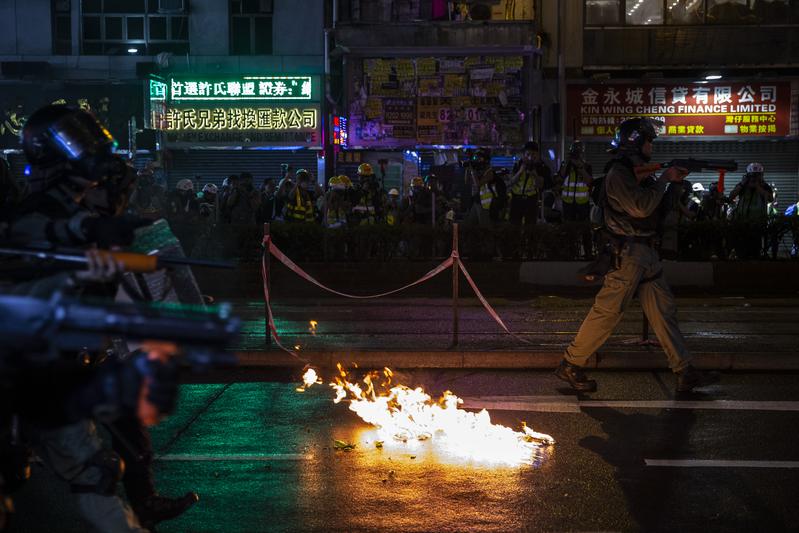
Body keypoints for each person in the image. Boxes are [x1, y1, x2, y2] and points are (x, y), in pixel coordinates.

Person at [4, 104, 197, 531]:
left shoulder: (83, 207)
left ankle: (142, 507)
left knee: (98, 472)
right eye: (75, 138)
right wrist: (84, 235)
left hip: (70, 369)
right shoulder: (33, 212)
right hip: (20, 368)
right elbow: (35, 234)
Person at [555, 117, 715, 393]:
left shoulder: (634, 171)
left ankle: (685, 370)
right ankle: (571, 364)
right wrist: (665, 178)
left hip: (644, 253)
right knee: (607, 313)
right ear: (635, 143)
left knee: (664, 313)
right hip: (628, 253)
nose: (652, 145)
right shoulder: (619, 173)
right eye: (648, 140)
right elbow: (640, 208)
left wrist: (672, 183)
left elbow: (658, 209)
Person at [729, 162, 773, 259]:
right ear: (747, 175)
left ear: (761, 175)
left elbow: (770, 198)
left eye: (757, 175)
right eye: (752, 175)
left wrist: (758, 186)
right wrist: (742, 184)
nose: (754, 178)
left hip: (757, 223)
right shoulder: (742, 185)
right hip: (741, 222)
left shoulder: (765, 186)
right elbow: (731, 196)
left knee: (755, 250)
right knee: (741, 250)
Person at [558, 140, 594, 258]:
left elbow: (589, 181)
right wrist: (567, 163)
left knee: (585, 230)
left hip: (582, 203)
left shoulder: (587, 166)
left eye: (578, 152)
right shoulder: (566, 164)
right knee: (569, 230)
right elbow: (561, 176)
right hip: (568, 202)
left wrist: (580, 167)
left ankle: (588, 253)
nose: (576, 155)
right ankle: (570, 252)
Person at [508, 141, 548, 226]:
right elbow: (511, 182)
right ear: (523, 154)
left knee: (530, 227)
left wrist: (535, 174)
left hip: (531, 200)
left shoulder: (541, 166)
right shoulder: (518, 164)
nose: (530, 157)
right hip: (516, 199)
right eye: (528, 154)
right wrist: (520, 172)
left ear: (537, 155)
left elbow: (541, 185)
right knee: (514, 227)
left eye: (533, 155)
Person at [463, 148, 495, 227]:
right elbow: (466, 181)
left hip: (485, 204)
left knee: (484, 227)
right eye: (476, 157)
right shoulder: (477, 170)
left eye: (480, 158)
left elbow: (478, 184)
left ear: (486, 159)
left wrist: (472, 171)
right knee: (470, 224)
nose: (477, 160)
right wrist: (468, 168)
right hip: (476, 201)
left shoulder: (489, 172)